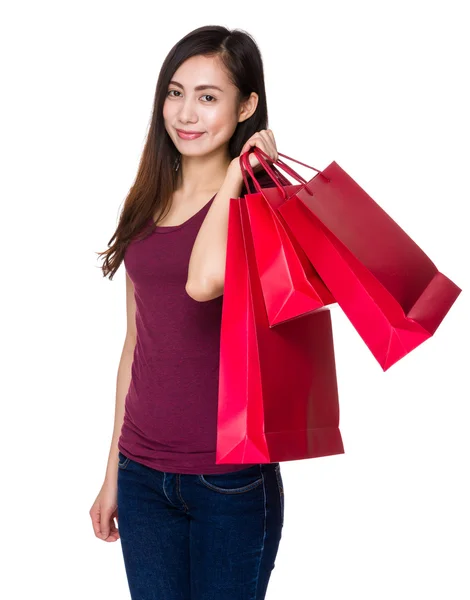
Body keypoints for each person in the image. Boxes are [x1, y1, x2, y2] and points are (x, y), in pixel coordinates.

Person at [89, 25, 287, 600]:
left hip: (229, 478)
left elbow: (203, 283)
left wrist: (234, 178)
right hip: (143, 474)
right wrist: (113, 474)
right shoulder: (147, 199)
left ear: (247, 105)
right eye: (176, 92)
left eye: (208, 96)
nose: (186, 113)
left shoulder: (261, 202)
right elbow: (136, 342)